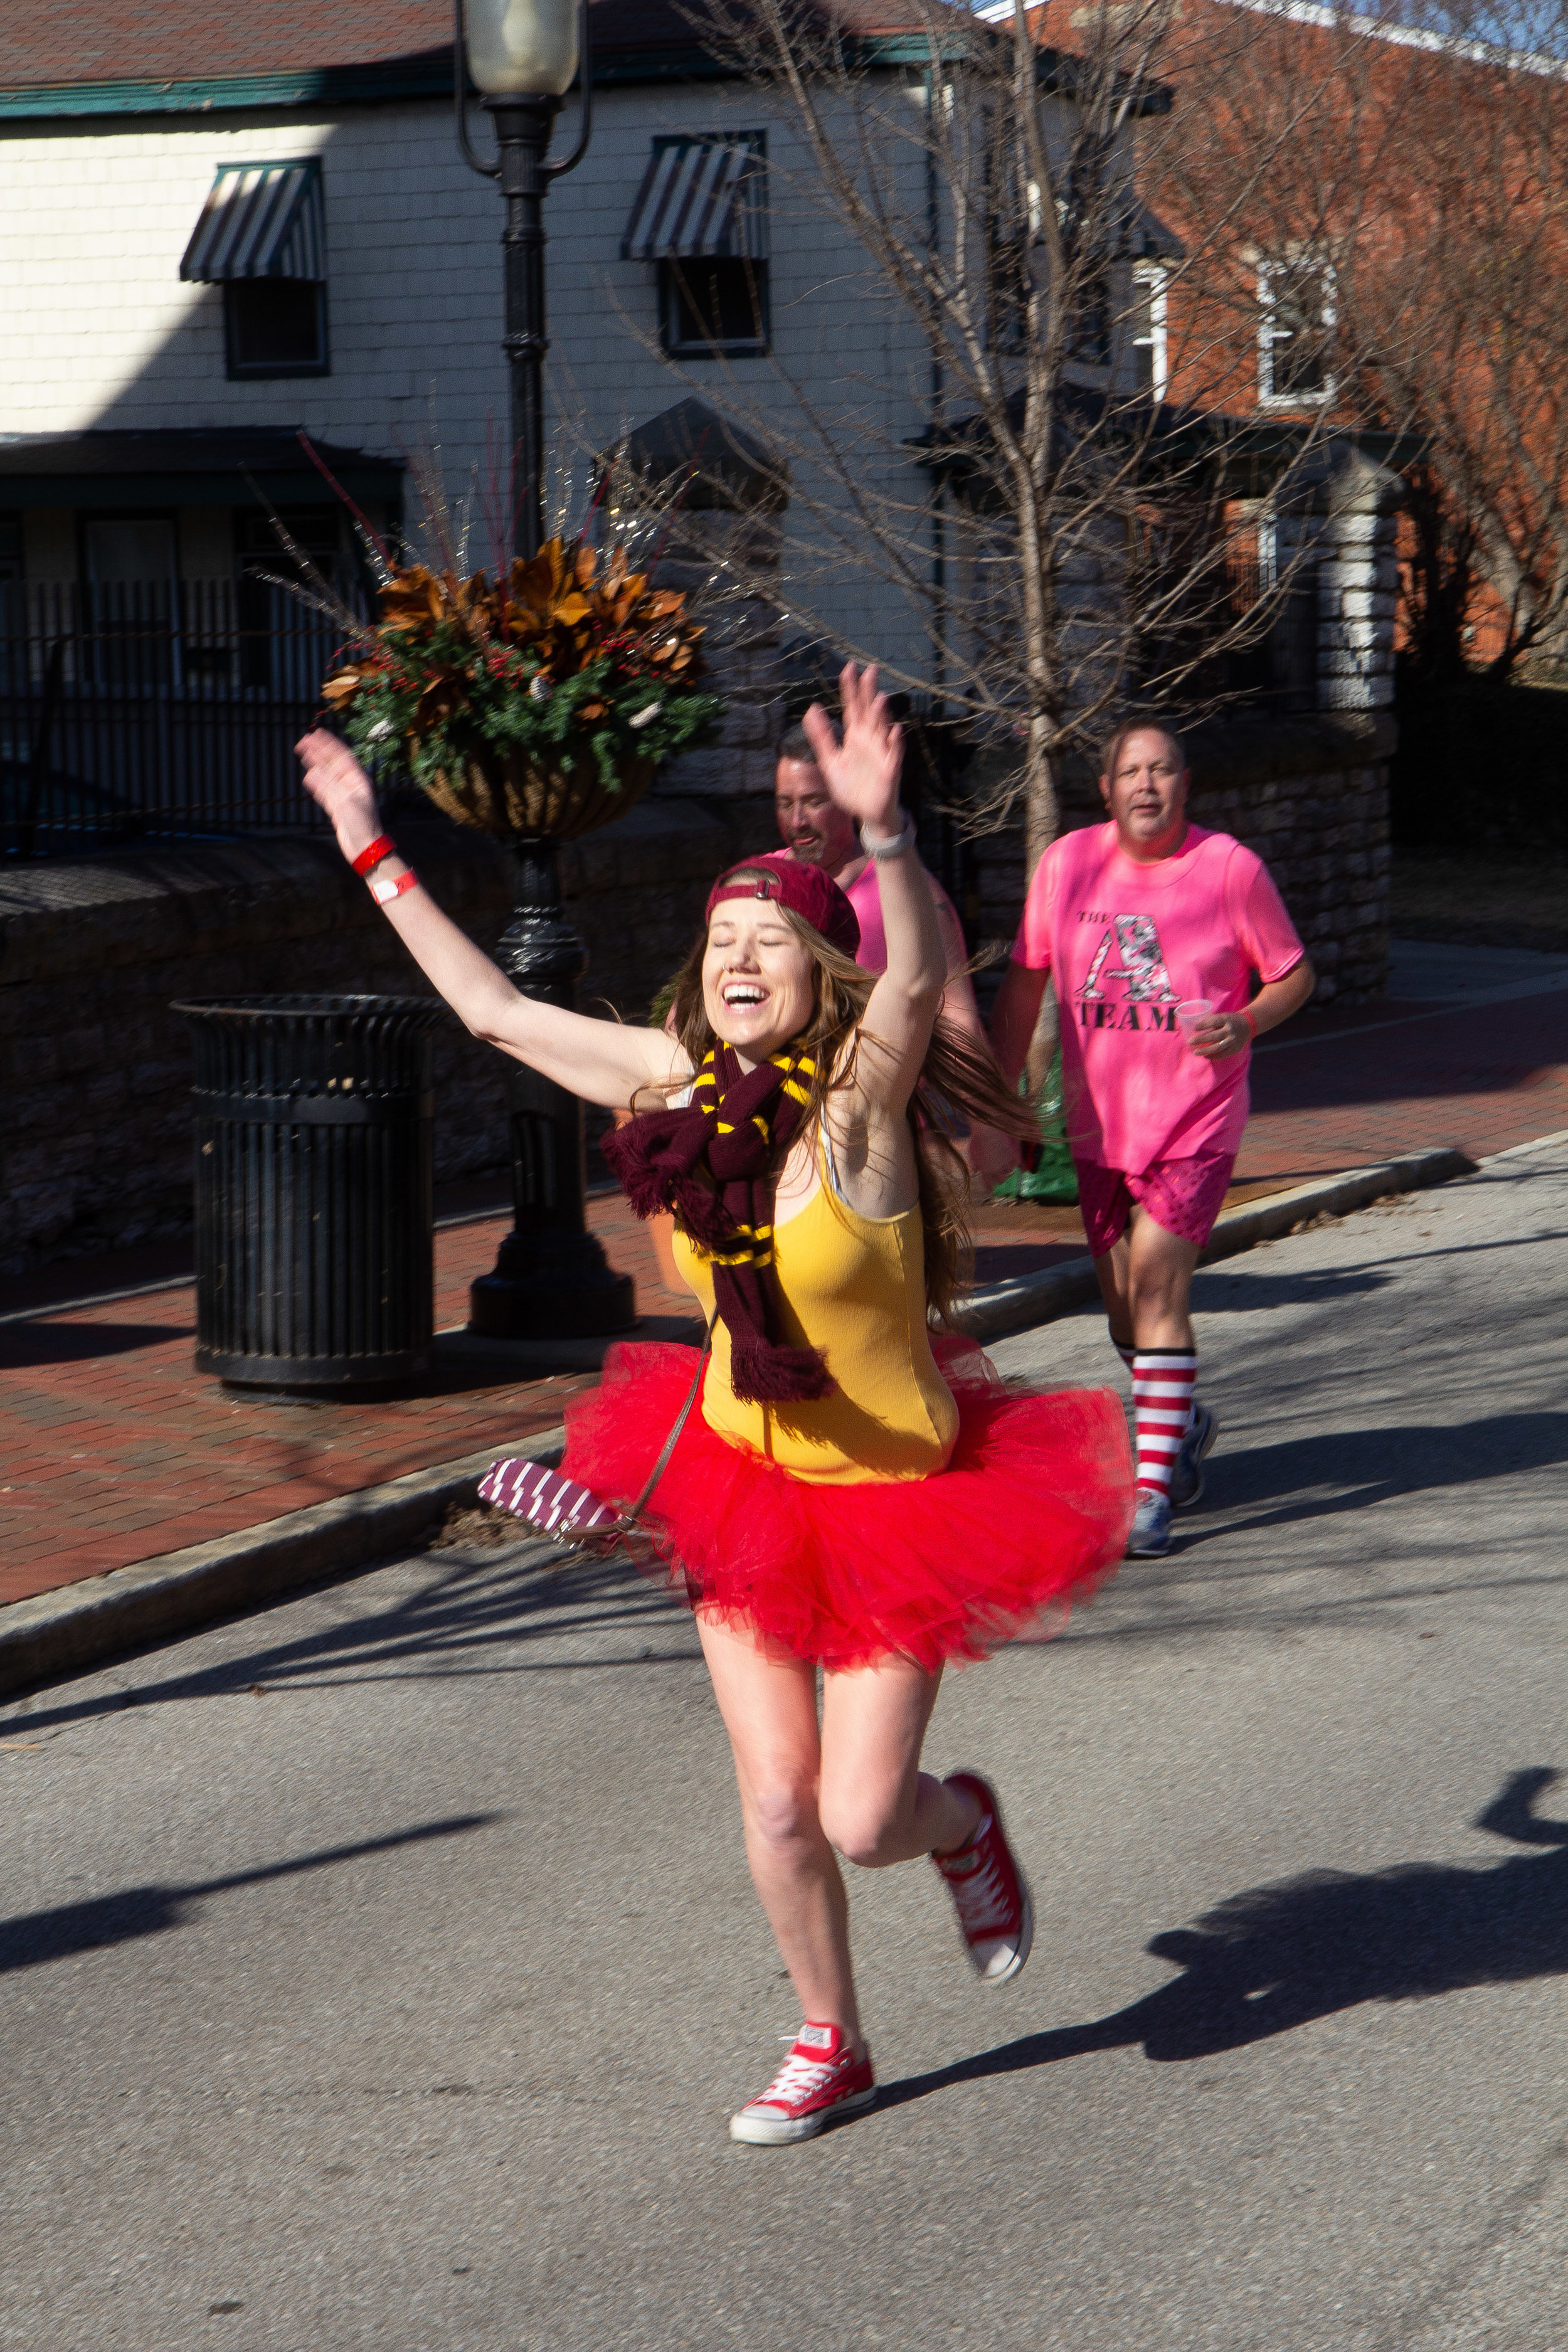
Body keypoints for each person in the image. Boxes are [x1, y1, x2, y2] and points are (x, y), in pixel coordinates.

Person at [297, 667, 1132, 2148]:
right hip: (744, 1475)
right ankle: (833, 2037)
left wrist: (885, 843)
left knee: (868, 1815)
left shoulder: (857, 1109)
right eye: (720, 940)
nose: (741, 958)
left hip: (896, 1501)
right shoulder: (671, 1087)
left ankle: (964, 1827)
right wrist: (372, 840)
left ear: (818, 972)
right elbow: (490, 1010)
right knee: (777, 1807)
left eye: (771, 943)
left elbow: (919, 981)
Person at [970, 723, 1315, 1562]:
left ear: (1185, 785)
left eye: (1162, 770)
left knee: (1159, 1285)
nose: (1147, 784)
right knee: (1125, 1306)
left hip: (1195, 1122)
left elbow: (1294, 973)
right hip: (1097, 1126)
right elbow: (1022, 989)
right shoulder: (1067, 867)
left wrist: (1245, 1021)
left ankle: (1153, 1492)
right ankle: (1182, 1415)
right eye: (1132, 770)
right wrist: (999, 1107)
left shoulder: (1229, 869)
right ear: (1107, 786)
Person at [773, 721, 985, 1049]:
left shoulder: (909, 892)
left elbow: (959, 1024)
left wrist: (982, 1099)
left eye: (815, 802)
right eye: (785, 804)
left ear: (847, 797)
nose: (797, 820)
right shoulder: (759, 883)